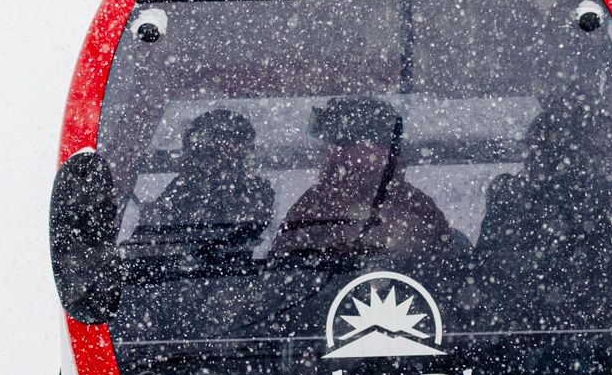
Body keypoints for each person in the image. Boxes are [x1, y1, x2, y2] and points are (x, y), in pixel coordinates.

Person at [473, 96, 612, 322]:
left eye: (553, 152)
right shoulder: (509, 195)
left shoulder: (601, 195)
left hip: (582, 326)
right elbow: (485, 267)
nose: (540, 160)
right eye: (537, 150)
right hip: (528, 325)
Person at [270, 97, 453, 262]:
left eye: (335, 142)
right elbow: (280, 275)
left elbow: (280, 275)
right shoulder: (415, 204)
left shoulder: (314, 205)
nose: (328, 152)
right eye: (329, 144)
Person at [135, 108, 275, 261]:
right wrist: (152, 224)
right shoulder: (182, 189)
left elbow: (227, 242)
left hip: (221, 276)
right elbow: (145, 256)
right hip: (202, 277)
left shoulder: (255, 192)